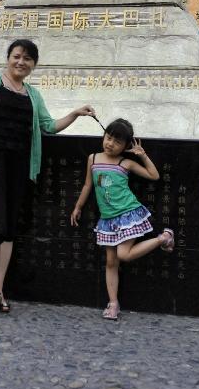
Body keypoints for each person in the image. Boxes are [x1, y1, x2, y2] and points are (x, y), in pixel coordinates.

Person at [0, 39, 95, 313]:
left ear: (33, 65)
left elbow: (48, 126)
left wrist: (74, 113)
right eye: (17, 56)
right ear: (8, 57)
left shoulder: (32, 95)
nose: (21, 62)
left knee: (11, 227)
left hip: (21, 163)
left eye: (27, 59)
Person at [70, 118, 174, 321]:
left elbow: (154, 175)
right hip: (108, 220)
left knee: (124, 256)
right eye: (108, 138)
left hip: (128, 215)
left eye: (117, 142)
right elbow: (87, 186)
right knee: (111, 262)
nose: (110, 143)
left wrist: (142, 156)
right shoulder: (93, 159)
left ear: (126, 146)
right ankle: (113, 303)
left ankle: (163, 238)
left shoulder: (125, 162)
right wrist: (78, 207)